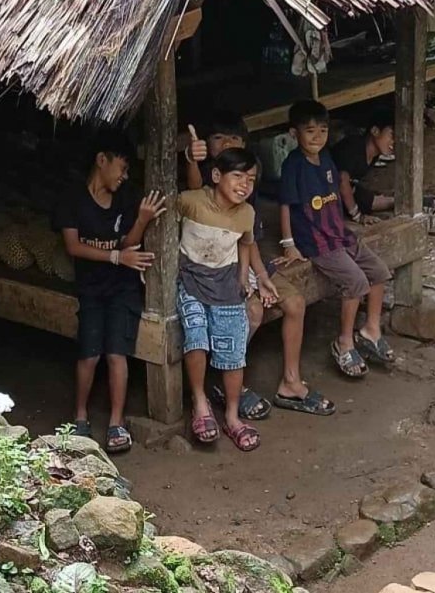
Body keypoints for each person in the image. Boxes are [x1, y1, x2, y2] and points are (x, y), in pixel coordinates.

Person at [184, 114, 333, 417]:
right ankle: (227, 382)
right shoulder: (200, 188)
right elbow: (195, 187)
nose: (227, 144)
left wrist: (261, 276)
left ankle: (290, 382)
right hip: (216, 270)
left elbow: (247, 240)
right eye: (218, 139)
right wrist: (190, 157)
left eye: (234, 139)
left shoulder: (245, 188)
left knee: (294, 301)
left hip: (248, 261)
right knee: (252, 311)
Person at [52, 130, 165, 453]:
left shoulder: (127, 197)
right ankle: (80, 417)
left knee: (117, 353)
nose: (124, 175)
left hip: (122, 288)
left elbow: (130, 244)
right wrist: (116, 257)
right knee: (89, 354)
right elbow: (73, 246)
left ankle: (117, 422)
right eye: (122, 167)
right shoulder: (73, 198)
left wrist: (142, 220)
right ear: (102, 160)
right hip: (90, 287)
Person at [279, 100, 394, 379]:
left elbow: (334, 197)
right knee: (355, 281)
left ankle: (371, 330)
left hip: (338, 233)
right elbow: (284, 206)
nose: (317, 137)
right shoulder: (293, 166)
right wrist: (289, 244)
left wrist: (352, 218)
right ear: (295, 134)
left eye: (322, 130)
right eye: (310, 132)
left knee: (379, 271)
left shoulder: (327, 160)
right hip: (316, 241)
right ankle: (344, 342)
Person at [175, 146, 261, 451]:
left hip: (226, 287)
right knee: (196, 337)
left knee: (233, 351)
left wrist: (243, 277)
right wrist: (190, 159)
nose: (244, 185)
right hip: (191, 282)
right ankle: (200, 403)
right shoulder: (192, 201)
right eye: (237, 176)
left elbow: (246, 244)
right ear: (216, 176)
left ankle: (233, 417)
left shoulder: (246, 214)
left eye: (250, 179)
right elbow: (164, 220)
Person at [333, 112, 396, 223]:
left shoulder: (374, 155)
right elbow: (342, 180)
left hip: (346, 190)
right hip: (326, 192)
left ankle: (400, 201)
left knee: (367, 199)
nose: (394, 142)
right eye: (391, 135)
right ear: (375, 131)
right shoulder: (354, 147)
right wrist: (358, 216)